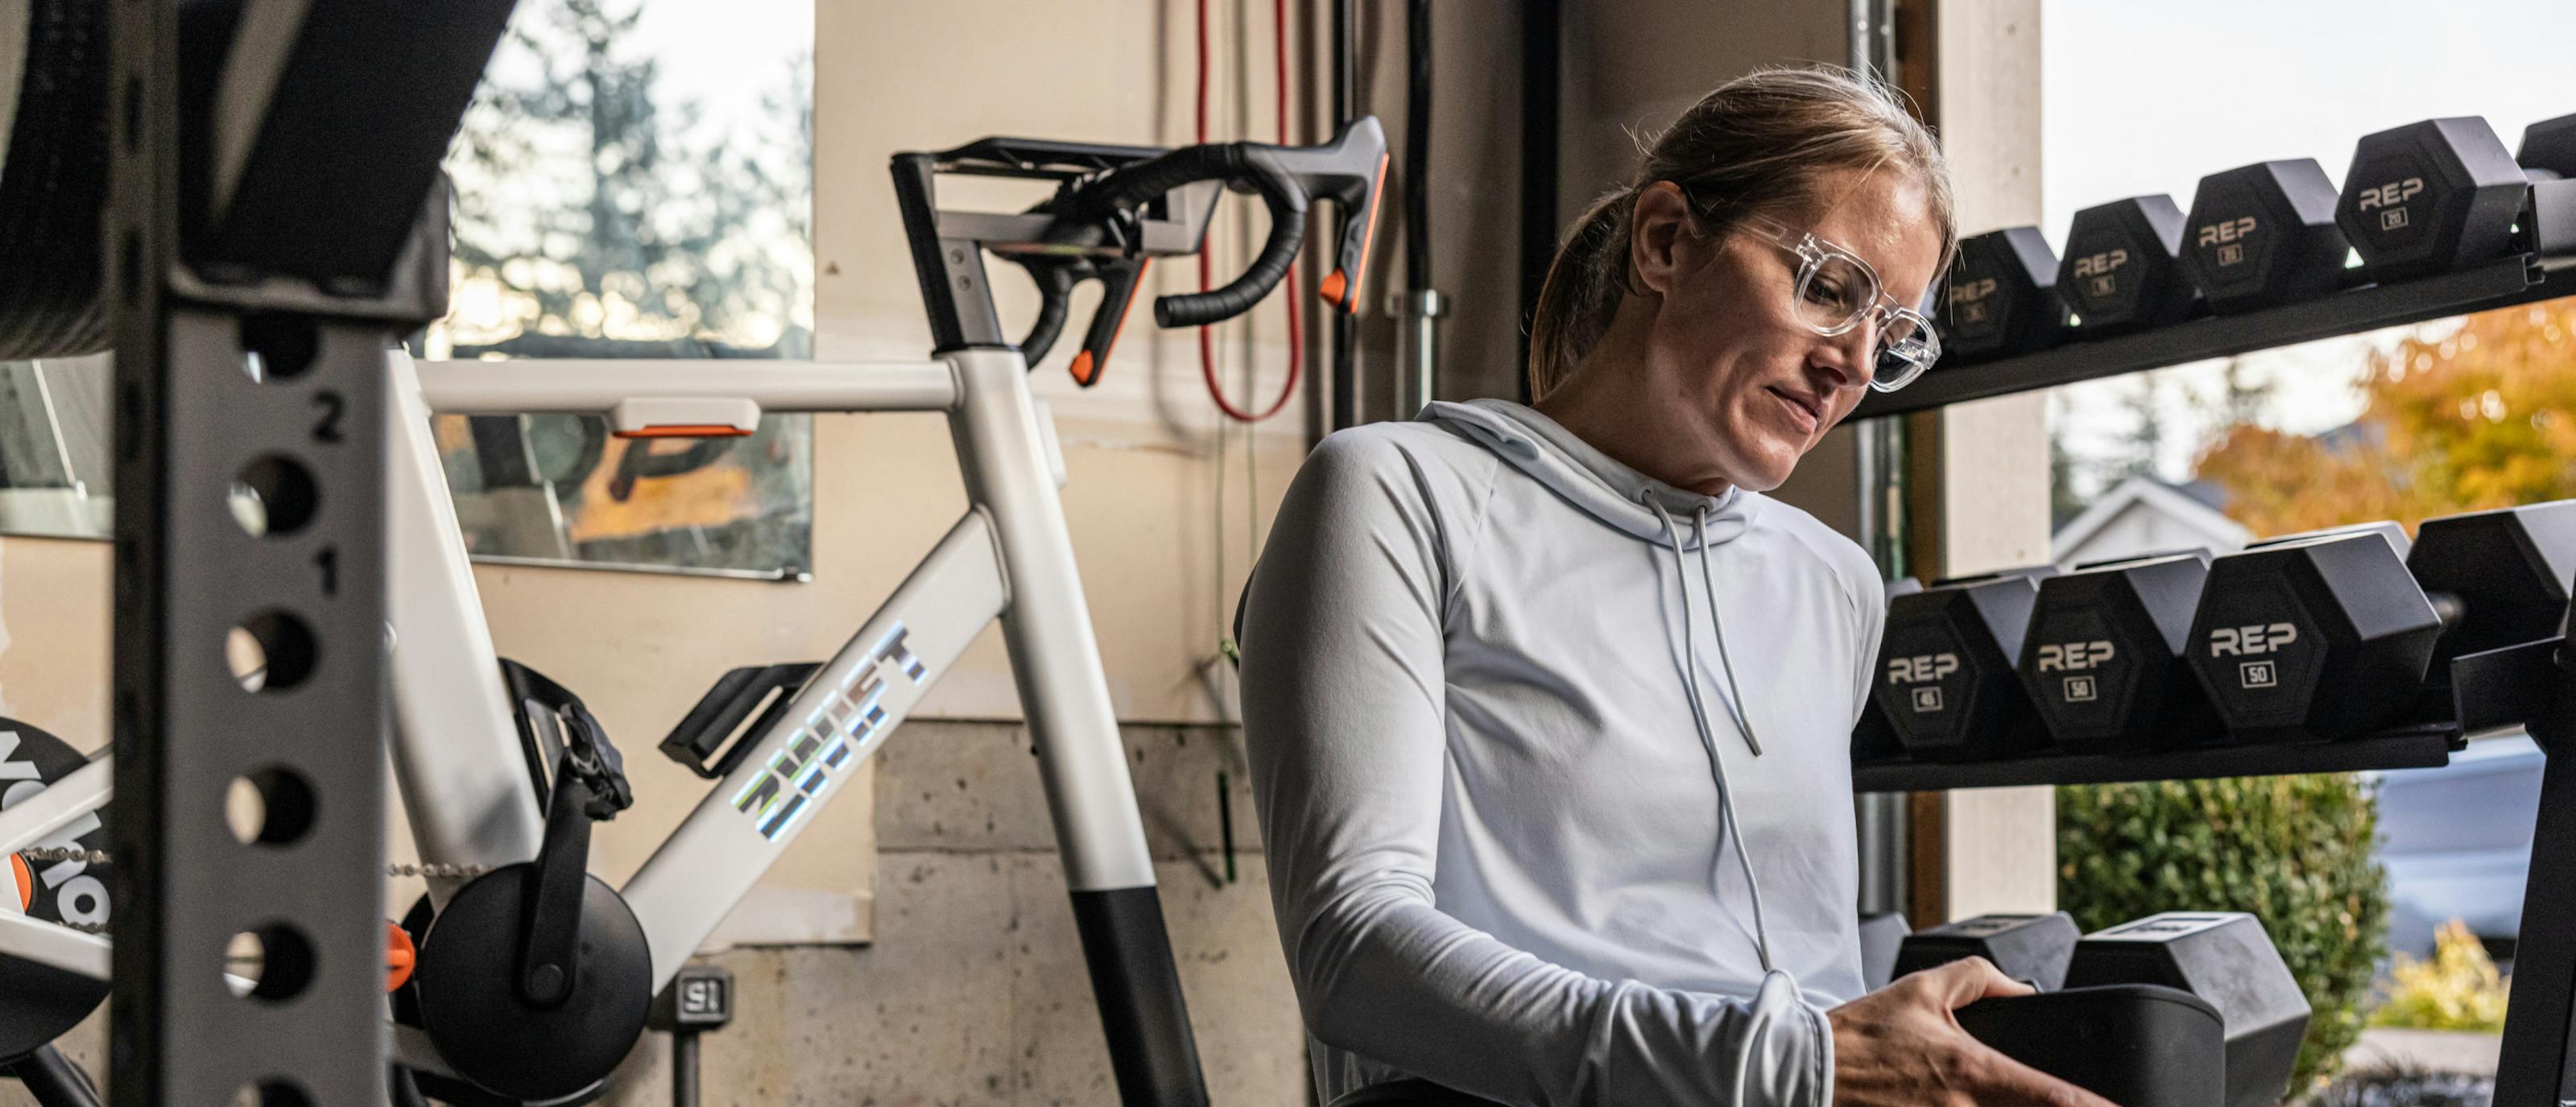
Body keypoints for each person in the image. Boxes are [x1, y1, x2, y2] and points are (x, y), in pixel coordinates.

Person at [1235, 66, 2115, 1107]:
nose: (1849, 363)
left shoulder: (1832, 584)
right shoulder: (1399, 494)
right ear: (1664, 241)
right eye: (1830, 289)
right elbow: (1355, 954)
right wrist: (1796, 1066)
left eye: (1891, 337)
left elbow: (1788, 969)